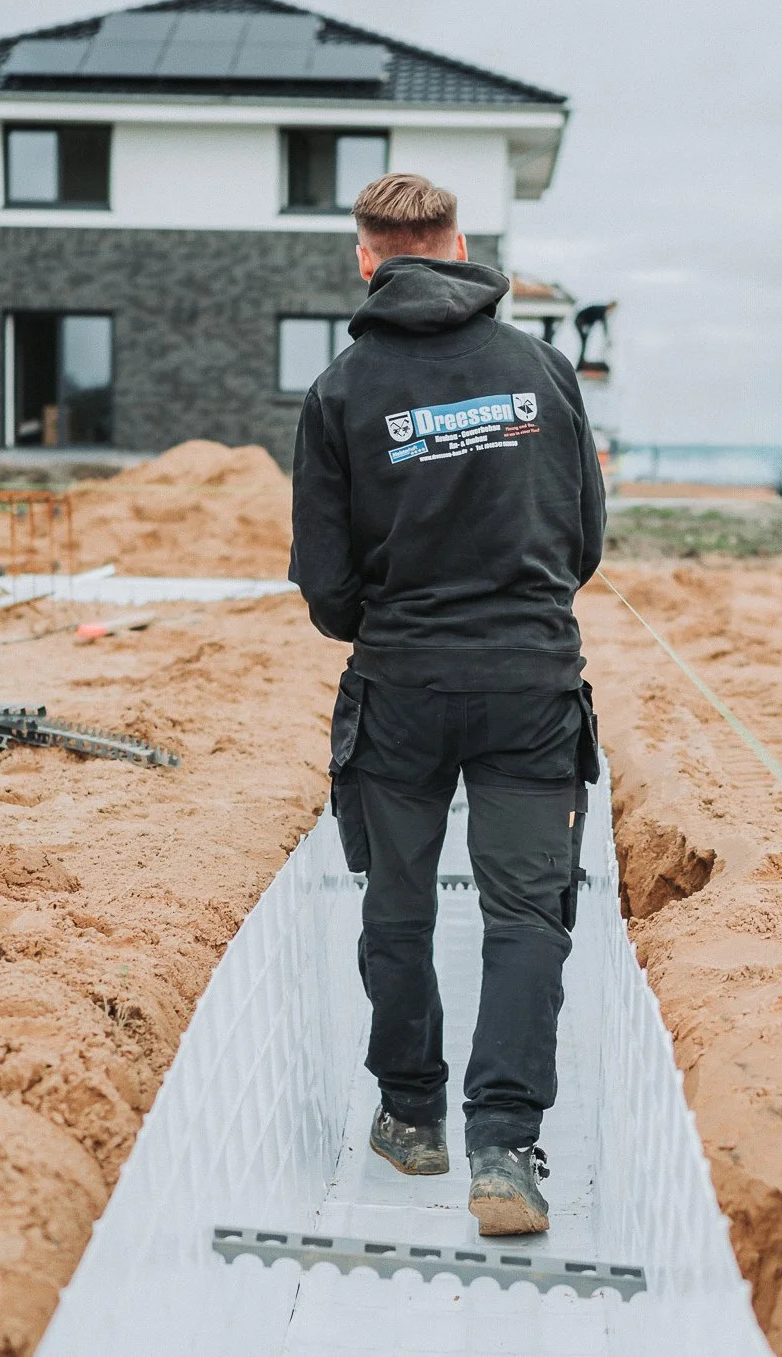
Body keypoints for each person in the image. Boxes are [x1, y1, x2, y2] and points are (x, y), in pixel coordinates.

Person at [289, 172, 606, 1236]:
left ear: (366, 259)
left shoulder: (340, 390)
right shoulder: (542, 369)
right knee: (526, 912)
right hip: (530, 686)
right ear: (460, 246)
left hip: (401, 689)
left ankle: (412, 1117)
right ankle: (504, 1151)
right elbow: (583, 542)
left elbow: (327, 591)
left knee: (398, 904)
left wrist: (398, 616)